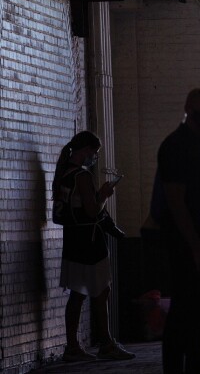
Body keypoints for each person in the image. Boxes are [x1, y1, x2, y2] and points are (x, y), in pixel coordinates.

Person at [149, 88, 200, 374]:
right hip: (188, 241)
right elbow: (176, 201)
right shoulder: (177, 146)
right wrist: (196, 246)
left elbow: (197, 195)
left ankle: (193, 366)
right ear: (189, 109)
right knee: (185, 312)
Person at [53, 131, 135, 362]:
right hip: (90, 242)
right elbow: (92, 210)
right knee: (101, 290)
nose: (94, 157)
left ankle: (72, 345)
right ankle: (106, 343)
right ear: (85, 150)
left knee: (77, 293)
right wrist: (105, 195)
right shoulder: (82, 176)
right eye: (94, 152)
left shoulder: (64, 174)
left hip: (73, 240)